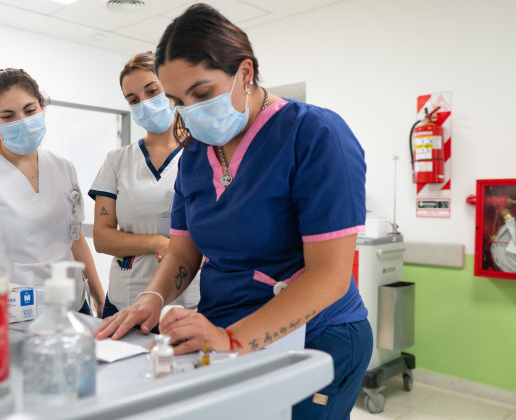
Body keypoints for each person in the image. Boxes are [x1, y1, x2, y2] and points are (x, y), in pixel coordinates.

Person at [94, 4, 371, 418]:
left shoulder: (315, 135)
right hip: (222, 330)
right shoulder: (194, 157)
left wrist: (233, 340)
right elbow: (185, 251)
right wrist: (153, 297)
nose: (189, 109)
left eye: (202, 93)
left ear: (245, 73)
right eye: (177, 100)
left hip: (315, 335)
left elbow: (329, 275)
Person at [0, 68, 105, 317]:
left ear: (42, 107)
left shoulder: (63, 167)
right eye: (8, 116)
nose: (23, 121)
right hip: (12, 312)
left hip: (72, 304)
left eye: (30, 111)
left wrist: (98, 297)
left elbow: (75, 238)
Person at [89, 52, 200, 321]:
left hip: (187, 303)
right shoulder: (117, 161)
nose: (145, 104)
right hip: (125, 299)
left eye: (152, 91)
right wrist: (156, 243)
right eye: (134, 100)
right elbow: (102, 238)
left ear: (171, 90)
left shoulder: (202, 154)